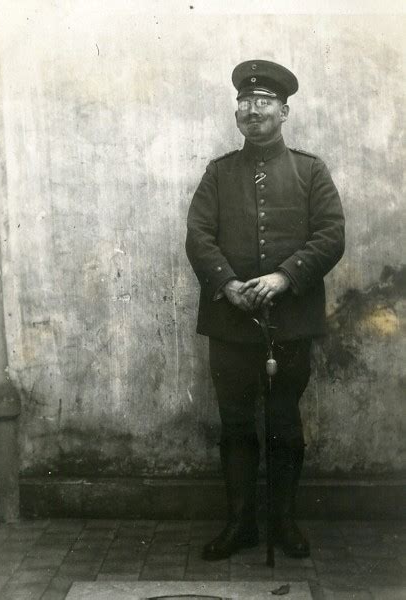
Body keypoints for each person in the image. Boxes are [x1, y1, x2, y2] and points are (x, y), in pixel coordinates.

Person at [185, 59, 345, 562]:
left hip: (290, 320)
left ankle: (283, 523)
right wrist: (228, 284)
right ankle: (240, 525)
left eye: (263, 103)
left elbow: (331, 235)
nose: (251, 110)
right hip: (230, 322)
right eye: (244, 103)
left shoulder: (310, 170)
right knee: (235, 425)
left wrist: (284, 277)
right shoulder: (218, 173)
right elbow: (199, 236)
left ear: (284, 111)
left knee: (284, 423)